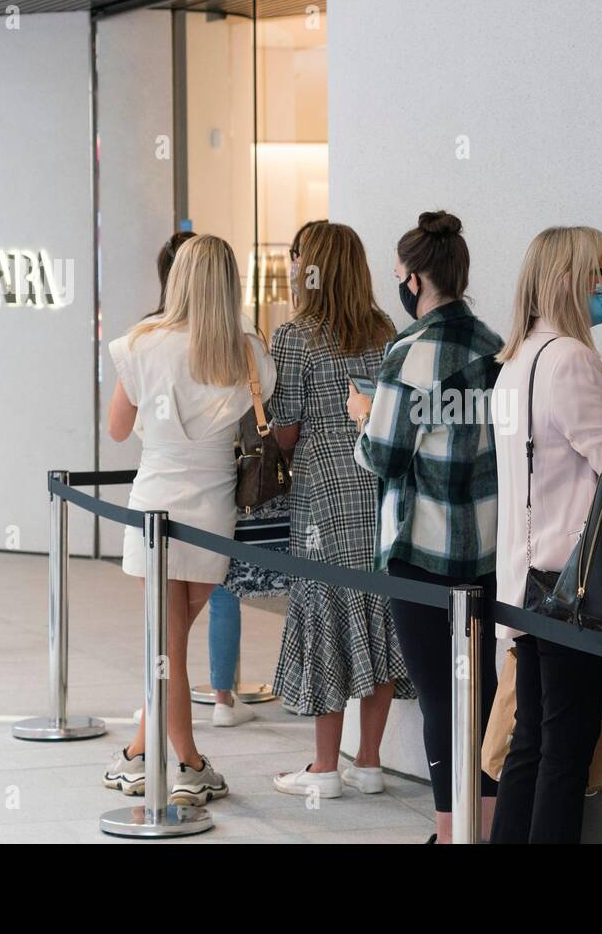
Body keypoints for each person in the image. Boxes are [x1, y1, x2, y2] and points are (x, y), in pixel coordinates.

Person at [349, 210, 504, 843]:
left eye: (397, 277)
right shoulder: (497, 347)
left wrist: (363, 414)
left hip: (420, 554)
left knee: (441, 697)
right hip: (490, 551)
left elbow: (382, 455)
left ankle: (449, 831)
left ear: (415, 279)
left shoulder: (409, 355)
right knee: (487, 697)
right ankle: (486, 828)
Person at [102, 234, 274, 804]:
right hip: (212, 507)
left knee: (167, 643)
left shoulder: (141, 343)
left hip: (154, 500)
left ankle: (170, 760)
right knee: (172, 640)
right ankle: (166, 757)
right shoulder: (248, 349)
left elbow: (118, 430)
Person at [490, 225, 602, 844]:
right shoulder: (571, 360)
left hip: (529, 581)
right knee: (565, 751)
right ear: (571, 281)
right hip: (573, 586)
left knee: (533, 742)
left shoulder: (516, 359)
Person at [269, 221, 415, 799]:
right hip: (381, 497)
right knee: (377, 616)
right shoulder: (388, 333)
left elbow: (285, 431)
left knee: (326, 619)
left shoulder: (296, 336)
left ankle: (325, 768)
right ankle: (371, 763)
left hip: (321, 503)